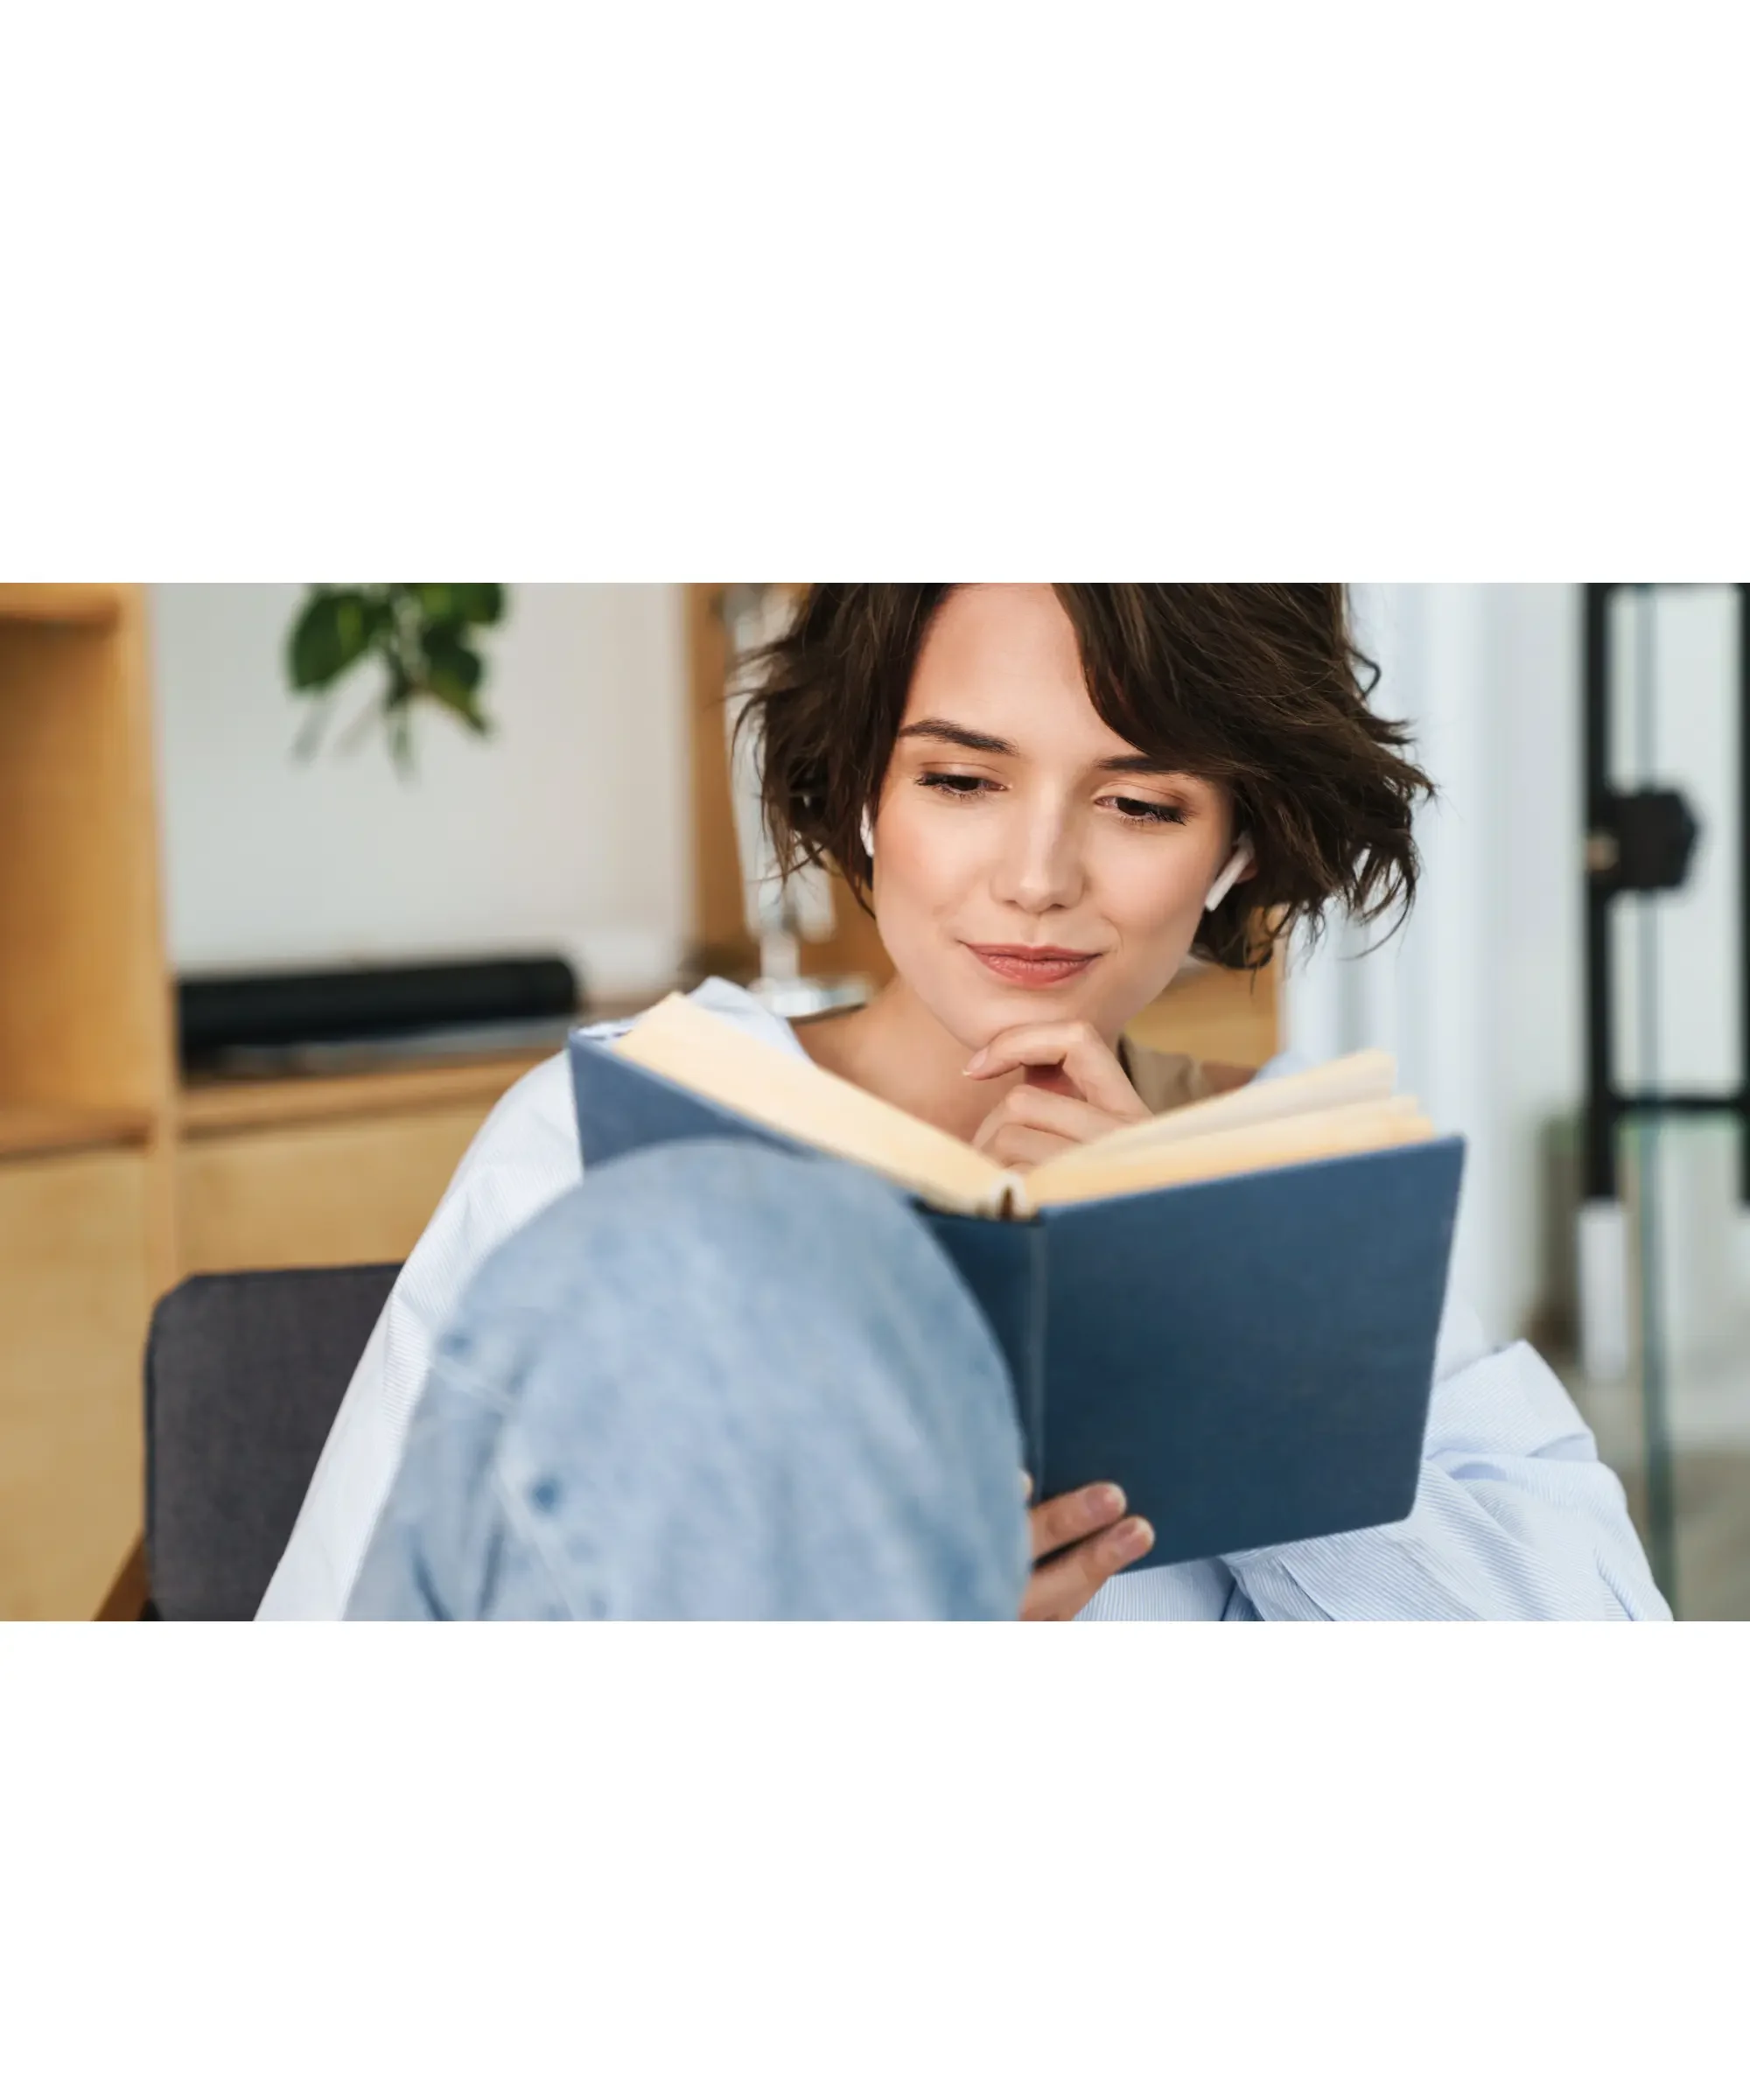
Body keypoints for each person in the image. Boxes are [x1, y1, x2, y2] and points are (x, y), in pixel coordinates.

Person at [262, 583, 1668, 1620]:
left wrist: (1219, 1310)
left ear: (1237, 846)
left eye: (1141, 805)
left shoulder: (1298, 1178)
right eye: (961, 778)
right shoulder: (589, 1139)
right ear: (866, 792)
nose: (1038, 876)